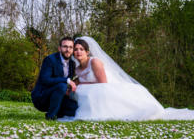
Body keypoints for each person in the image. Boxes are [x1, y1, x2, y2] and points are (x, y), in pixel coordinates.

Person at [58, 36, 194, 121]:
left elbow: (103, 83)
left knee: (90, 91)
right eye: (76, 49)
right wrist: (71, 84)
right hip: (96, 87)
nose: (78, 52)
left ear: (87, 51)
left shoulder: (95, 62)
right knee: (80, 91)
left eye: (81, 49)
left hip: (107, 88)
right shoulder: (75, 67)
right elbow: (78, 79)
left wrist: (81, 84)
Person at [31, 37, 78, 120]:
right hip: (42, 97)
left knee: (74, 108)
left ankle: (58, 112)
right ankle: (50, 116)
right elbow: (45, 80)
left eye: (70, 47)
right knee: (62, 86)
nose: (68, 50)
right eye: (65, 47)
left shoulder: (72, 64)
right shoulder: (50, 60)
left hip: (58, 96)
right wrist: (66, 80)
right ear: (59, 48)